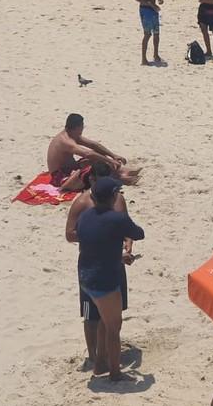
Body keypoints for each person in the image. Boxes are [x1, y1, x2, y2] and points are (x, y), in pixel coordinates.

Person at [65, 165, 136, 373]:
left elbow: (127, 226)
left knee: (112, 317)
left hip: (115, 263)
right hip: (91, 264)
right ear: (93, 179)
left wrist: (128, 242)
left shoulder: (118, 199)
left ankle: (104, 358)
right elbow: (70, 234)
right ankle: (94, 356)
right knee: (91, 316)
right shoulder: (81, 202)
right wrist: (97, 237)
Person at [47, 113, 140, 191]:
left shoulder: (71, 134)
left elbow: (93, 145)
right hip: (60, 178)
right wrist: (110, 161)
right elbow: (87, 153)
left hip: (70, 169)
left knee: (96, 156)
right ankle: (120, 178)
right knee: (92, 167)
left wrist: (113, 155)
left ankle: (122, 172)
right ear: (77, 127)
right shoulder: (65, 141)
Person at [136, 0, 164, 65]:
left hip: (153, 10)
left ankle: (156, 54)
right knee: (147, 34)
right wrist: (151, 4)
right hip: (145, 9)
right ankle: (143, 58)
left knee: (156, 33)